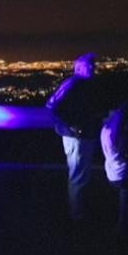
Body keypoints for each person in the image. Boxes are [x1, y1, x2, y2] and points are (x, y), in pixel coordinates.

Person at [46, 53, 112, 223]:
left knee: (82, 174)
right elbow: (52, 106)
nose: (92, 68)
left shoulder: (85, 85)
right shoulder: (73, 84)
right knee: (79, 175)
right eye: (89, 65)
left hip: (85, 135)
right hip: (76, 137)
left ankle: (79, 211)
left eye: (93, 65)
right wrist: (71, 126)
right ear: (78, 68)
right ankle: (77, 215)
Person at [100, 103, 128, 235]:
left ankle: (109, 224)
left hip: (110, 171)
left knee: (113, 200)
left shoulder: (106, 128)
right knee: (125, 205)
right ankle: (122, 230)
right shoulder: (122, 134)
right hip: (123, 174)